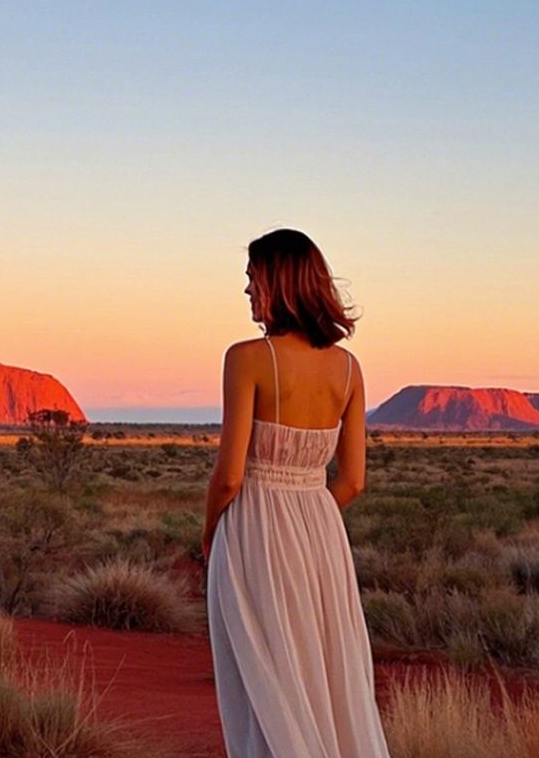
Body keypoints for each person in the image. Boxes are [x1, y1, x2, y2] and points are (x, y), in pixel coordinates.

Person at [201, 228, 391, 757]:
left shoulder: (247, 358)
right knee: (325, 673)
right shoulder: (348, 369)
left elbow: (231, 474)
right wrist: (309, 516)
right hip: (321, 533)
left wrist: (211, 532)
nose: (246, 292)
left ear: (278, 282)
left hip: (254, 528)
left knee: (263, 674)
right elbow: (352, 480)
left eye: (251, 279)